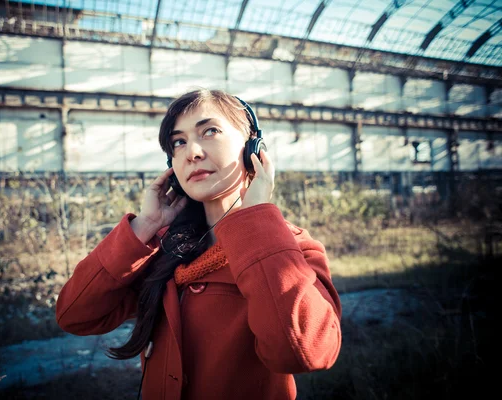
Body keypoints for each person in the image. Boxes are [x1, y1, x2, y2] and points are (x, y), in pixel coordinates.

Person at [55, 89, 342, 400]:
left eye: (210, 132)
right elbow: (75, 314)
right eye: (178, 142)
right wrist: (144, 226)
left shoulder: (291, 248)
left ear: (253, 148)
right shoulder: (163, 250)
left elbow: (302, 352)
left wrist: (256, 221)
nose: (192, 151)